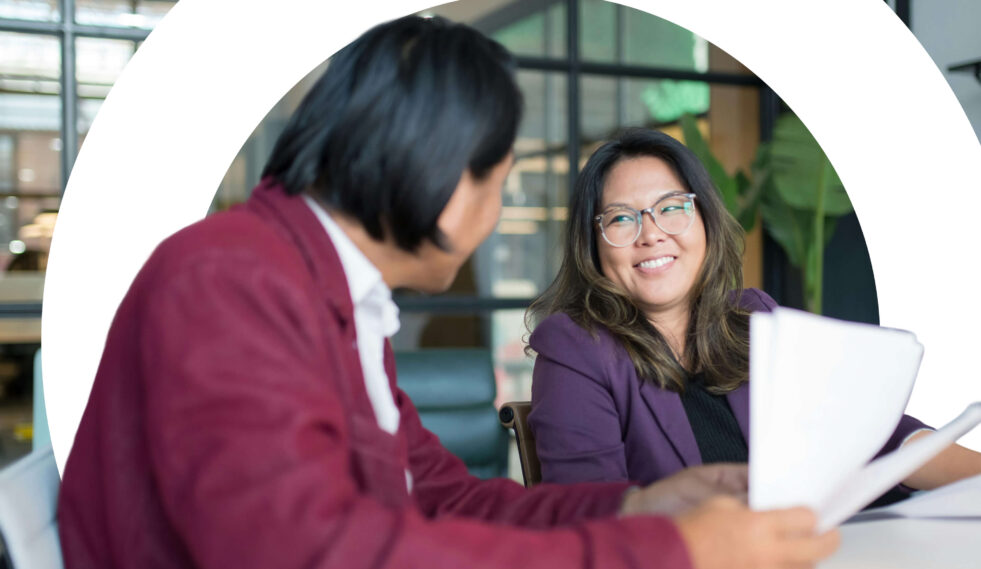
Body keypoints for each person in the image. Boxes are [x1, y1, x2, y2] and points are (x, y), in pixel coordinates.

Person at [57, 17, 839, 569]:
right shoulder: (229, 281)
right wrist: (671, 552)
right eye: (497, 184)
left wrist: (640, 509)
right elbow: (303, 553)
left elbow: (436, 497)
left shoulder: (327, 294)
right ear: (441, 181)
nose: (494, 216)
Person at [526, 128, 981, 496]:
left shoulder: (751, 318)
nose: (652, 234)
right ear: (593, 243)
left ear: (705, 220)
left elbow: (873, 430)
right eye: (622, 218)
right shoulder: (574, 349)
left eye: (672, 208)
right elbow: (589, 511)